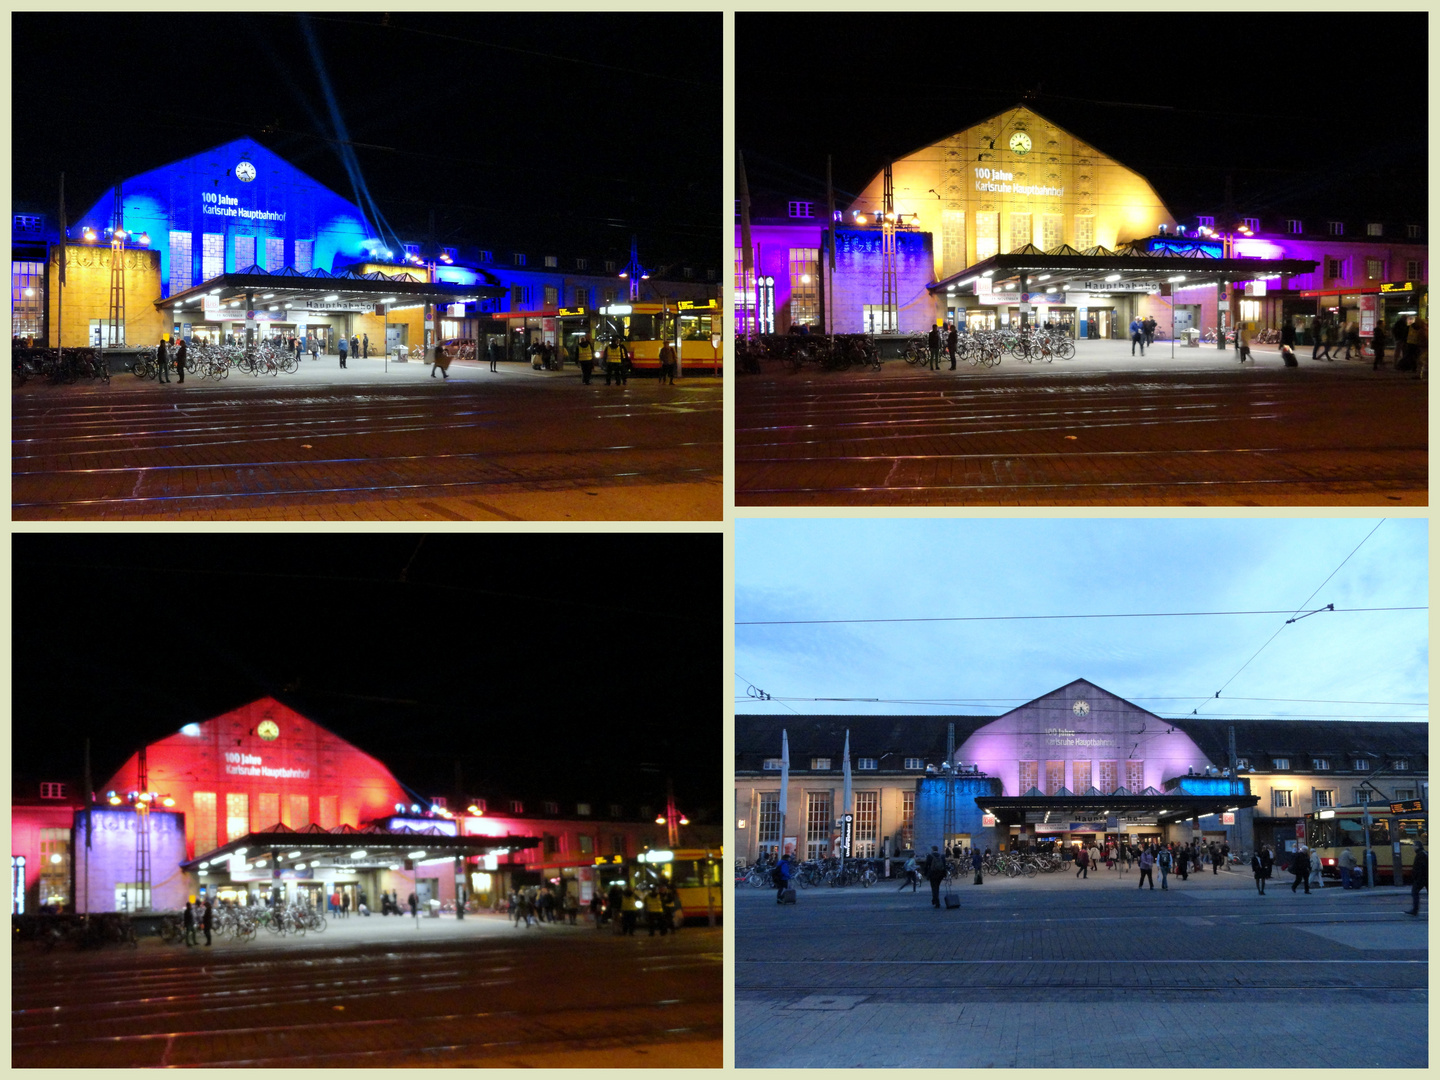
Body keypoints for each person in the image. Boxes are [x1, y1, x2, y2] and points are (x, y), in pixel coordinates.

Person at [1406, 841, 1427, 915]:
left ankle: (1415, 910)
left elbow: (1419, 868)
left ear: (1417, 846)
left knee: (1414, 892)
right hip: (1426, 877)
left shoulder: (1420, 855)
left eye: (1413, 846)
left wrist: (1415, 877)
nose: (1413, 847)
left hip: (1421, 878)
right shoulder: (1425, 853)